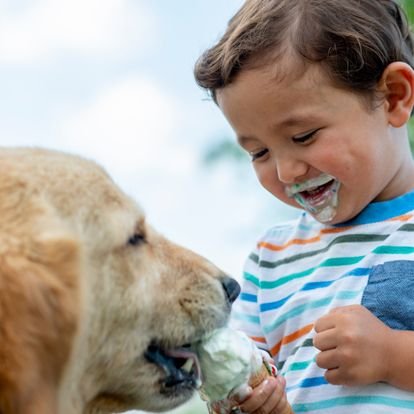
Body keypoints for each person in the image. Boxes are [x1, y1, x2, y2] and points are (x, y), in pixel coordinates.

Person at [194, 0, 414, 413]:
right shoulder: (271, 260)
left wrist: (393, 355)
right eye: (259, 153)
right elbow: (240, 380)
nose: (287, 171)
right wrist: (246, 400)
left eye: (304, 136)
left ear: (393, 97)